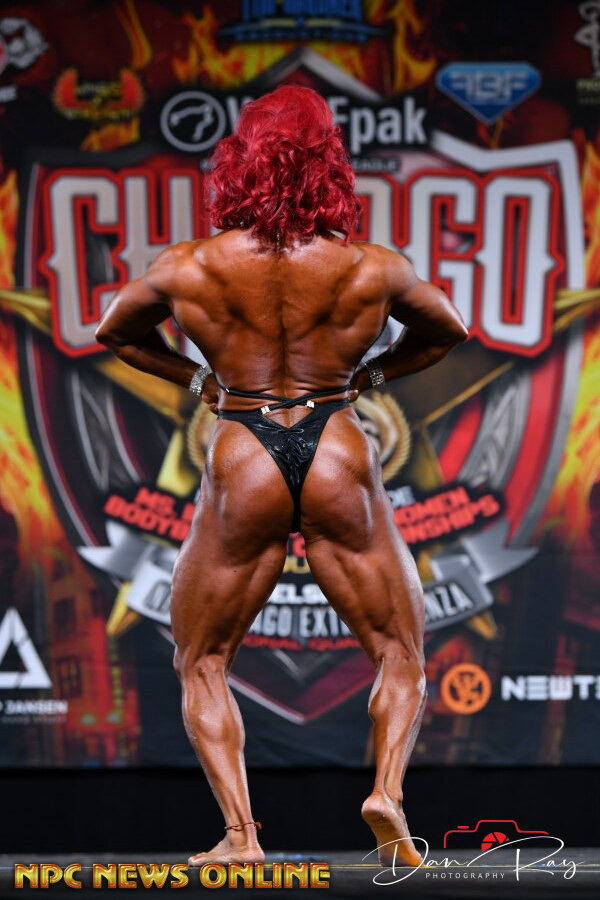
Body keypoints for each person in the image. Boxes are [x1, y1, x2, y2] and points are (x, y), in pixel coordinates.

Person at [95, 85, 468, 868]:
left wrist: (198, 380)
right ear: (331, 165)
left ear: (238, 162)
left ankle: (241, 838)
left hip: (243, 448)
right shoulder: (369, 266)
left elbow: (116, 332)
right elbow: (447, 331)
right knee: (400, 649)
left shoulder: (191, 265)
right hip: (337, 441)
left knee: (203, 660)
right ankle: (387, 796)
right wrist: (368, 378)